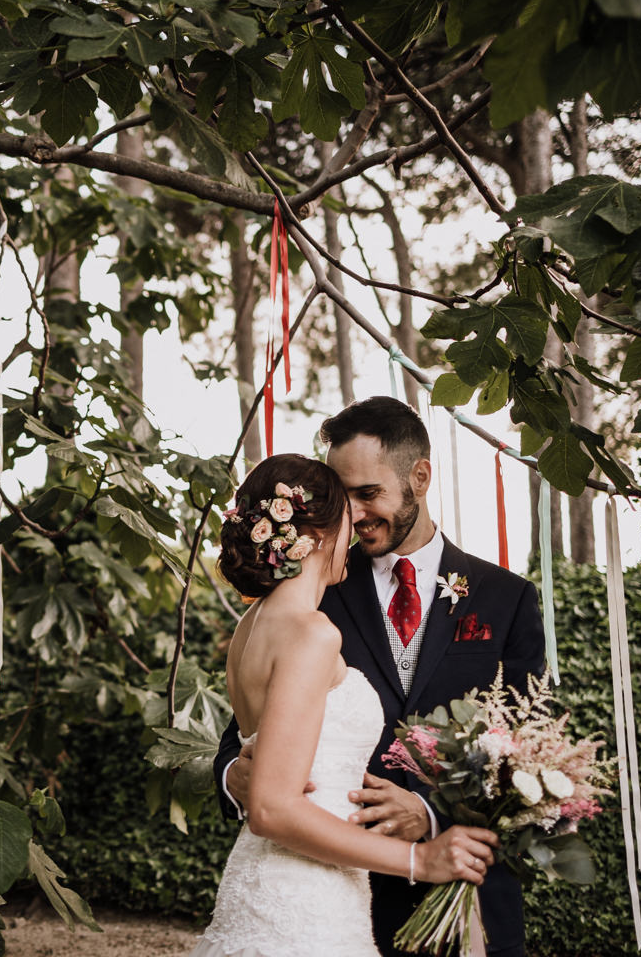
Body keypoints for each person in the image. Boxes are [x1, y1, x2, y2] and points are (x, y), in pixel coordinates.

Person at [213, 397, 546, 957]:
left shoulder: (505, 598)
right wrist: (233, 776)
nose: (355, 514)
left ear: (419, 477)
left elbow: (529, 742)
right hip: (337, 891)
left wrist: (429, 814)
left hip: (464, 893)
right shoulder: (313, 597)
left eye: (369, 494)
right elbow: (245, 733)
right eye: (343, 498)